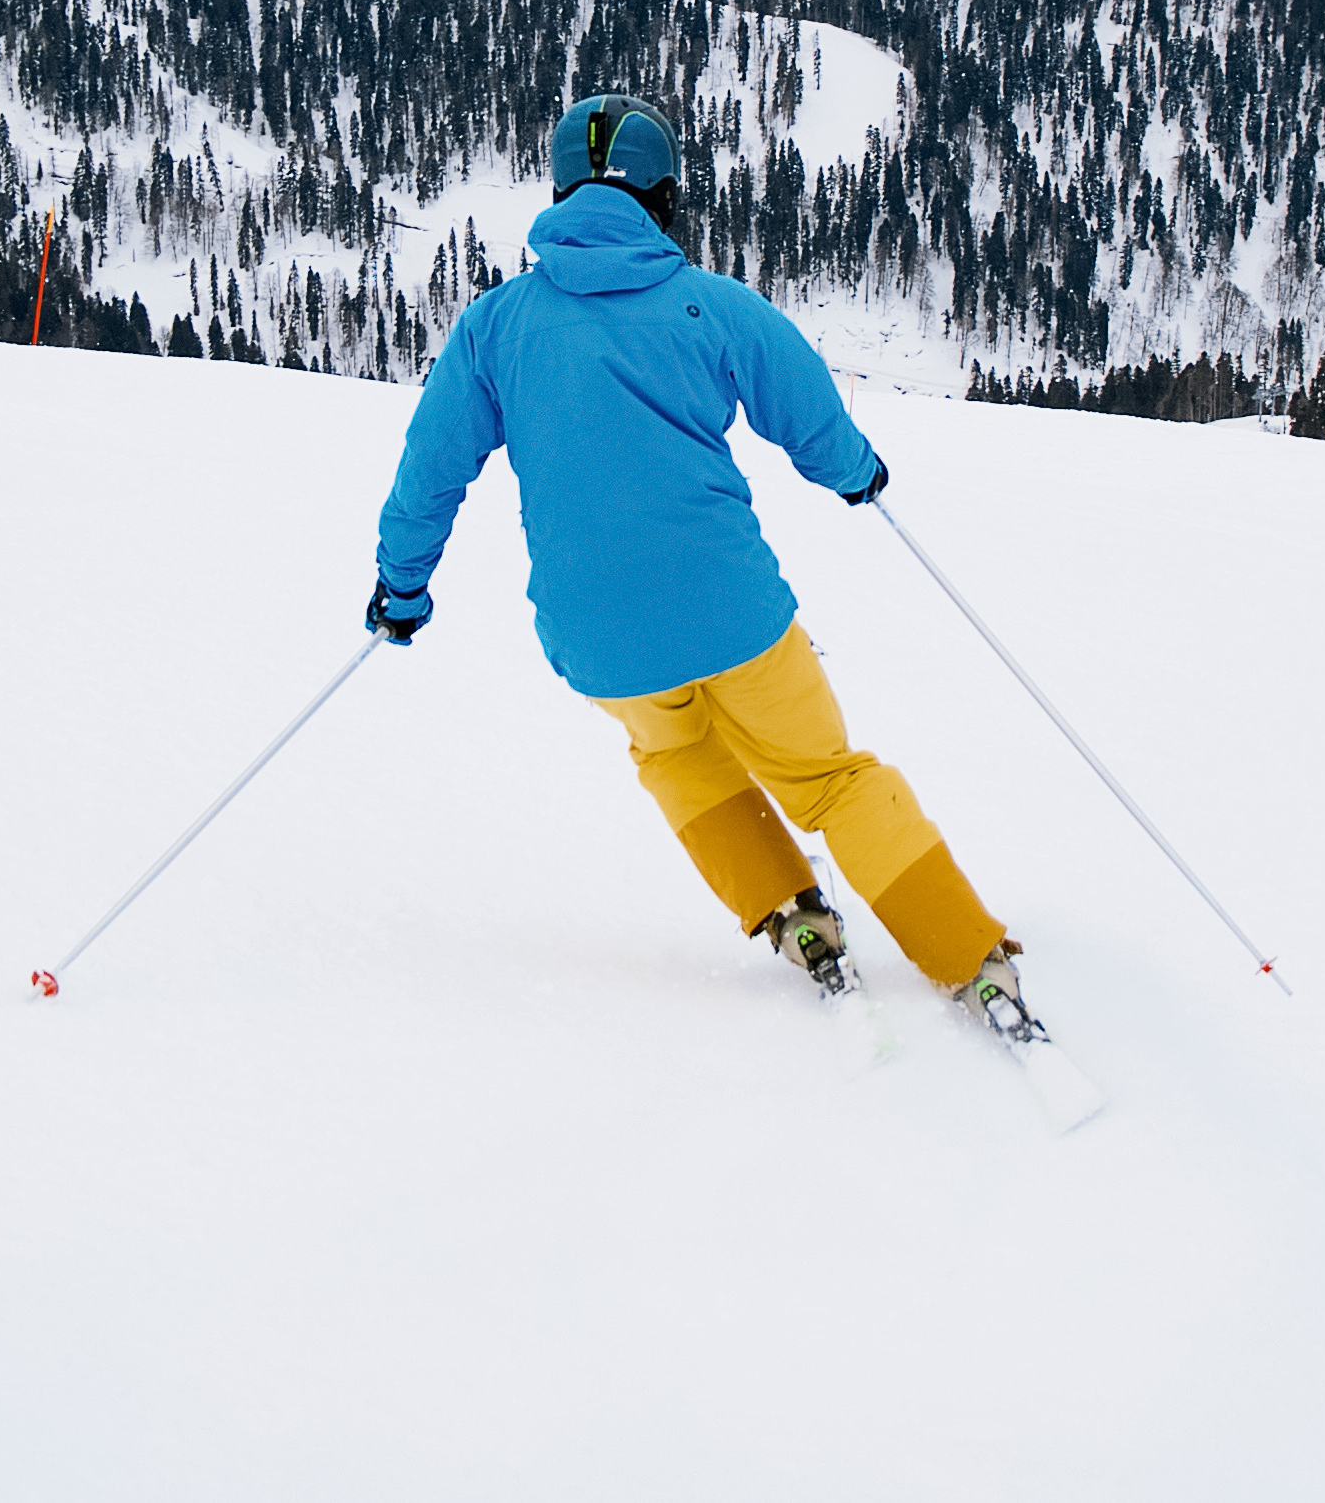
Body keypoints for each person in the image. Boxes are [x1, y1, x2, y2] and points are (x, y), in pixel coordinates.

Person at [367, 90, 1033, 1030]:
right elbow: (804, 406)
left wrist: (402, 588)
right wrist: (855, 475)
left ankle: (793, 914)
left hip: (596, 641)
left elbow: (430, 473)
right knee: (827, 777)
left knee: (680, 757)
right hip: (733, 613)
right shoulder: (707, 305)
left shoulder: (495, 327)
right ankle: (967, 953)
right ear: (665, 197)